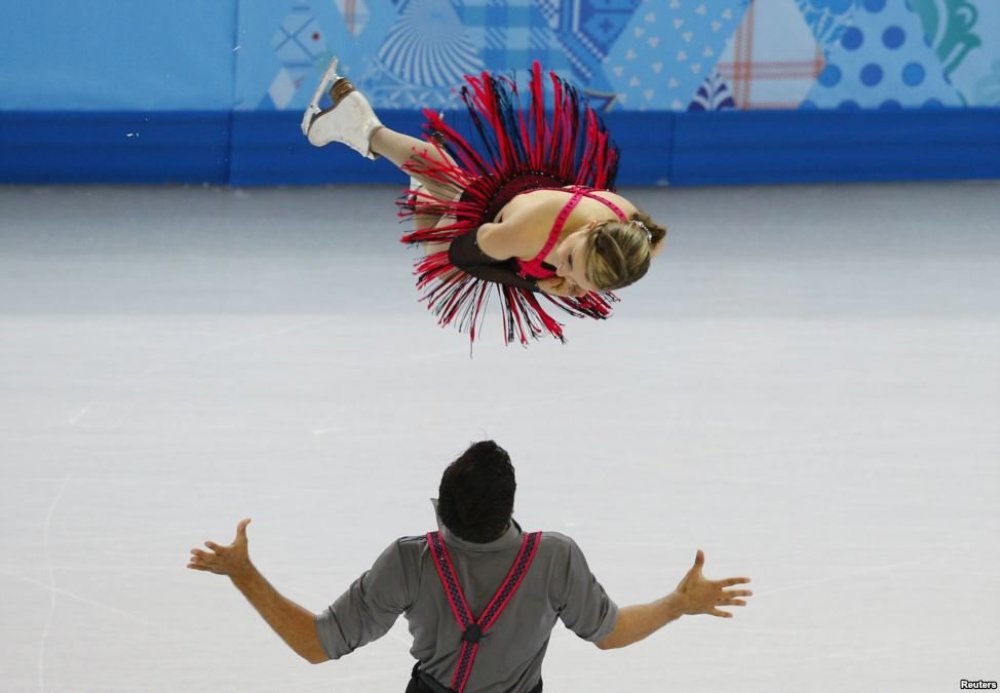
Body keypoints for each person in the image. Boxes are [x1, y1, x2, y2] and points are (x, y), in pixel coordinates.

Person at [188, 440, 752, 692]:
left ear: (444, 513)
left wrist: (243, 573)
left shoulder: (411, 560)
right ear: (510, 507)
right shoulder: (554, 556)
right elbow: (609, 634)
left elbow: (316, 645)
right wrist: (680, 603)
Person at [301, 59, 668, 345]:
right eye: (570, 261)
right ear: (591, 227)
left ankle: (366, 125)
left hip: (543, 191)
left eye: (585, 283)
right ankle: (397, 159)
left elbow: (646, 241)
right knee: (439, 259)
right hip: (499, 213)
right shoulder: (526, 234)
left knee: (447, 179)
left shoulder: (637, 240)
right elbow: (463, 256)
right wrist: (535, 286)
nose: (566, 276)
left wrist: (573, 270)